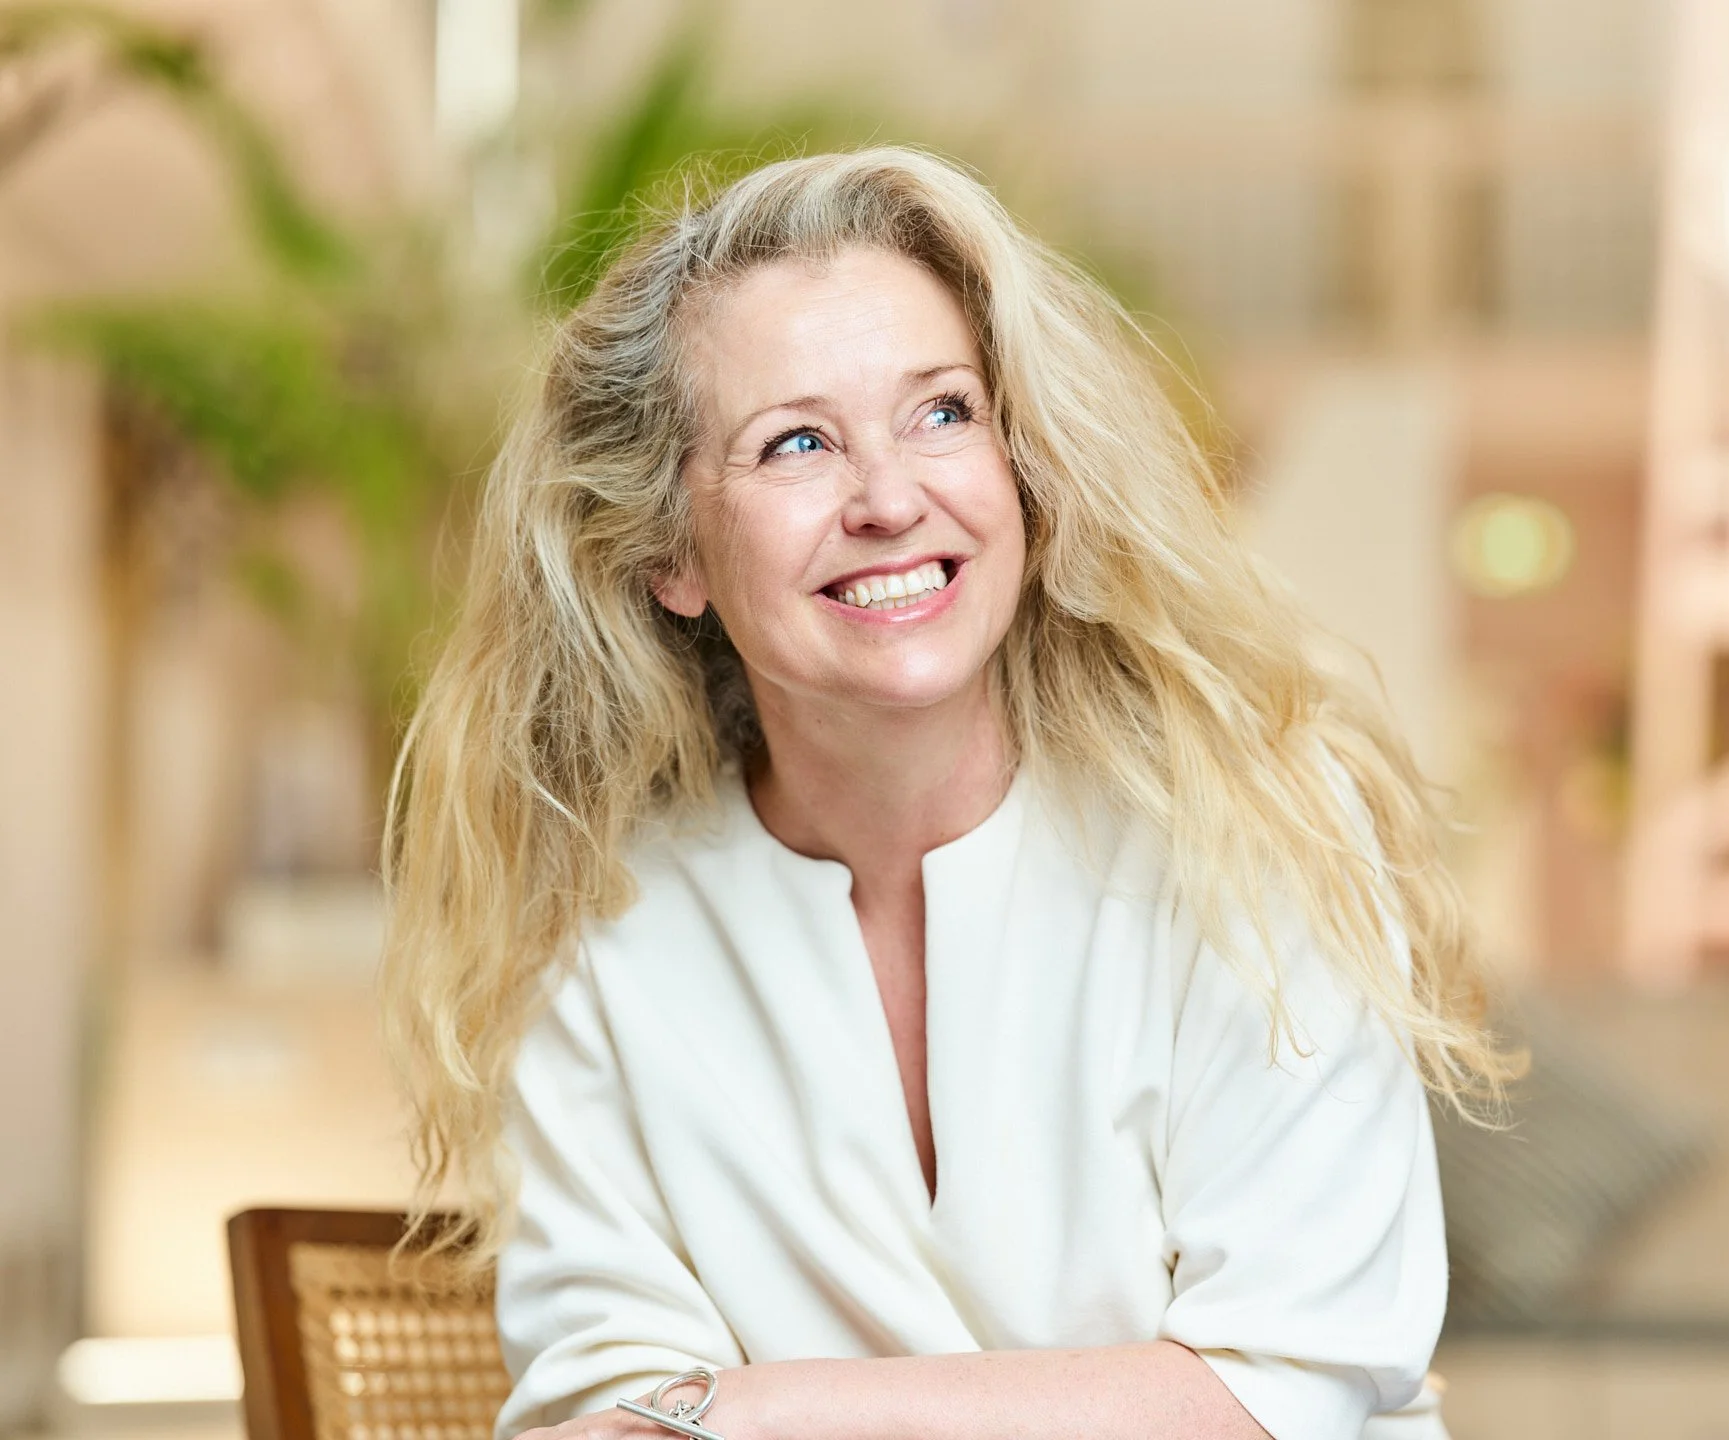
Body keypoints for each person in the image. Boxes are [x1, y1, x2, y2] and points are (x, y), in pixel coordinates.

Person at [381, 147, 1512, 1440]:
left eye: (943, 412)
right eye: (796, 442)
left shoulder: (1252, 823)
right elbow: (602, 1409)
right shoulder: (600, 924)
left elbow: (1283, 1384)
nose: (891, 499)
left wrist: (748, 1411)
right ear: (669, 554)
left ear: (1020, 467)